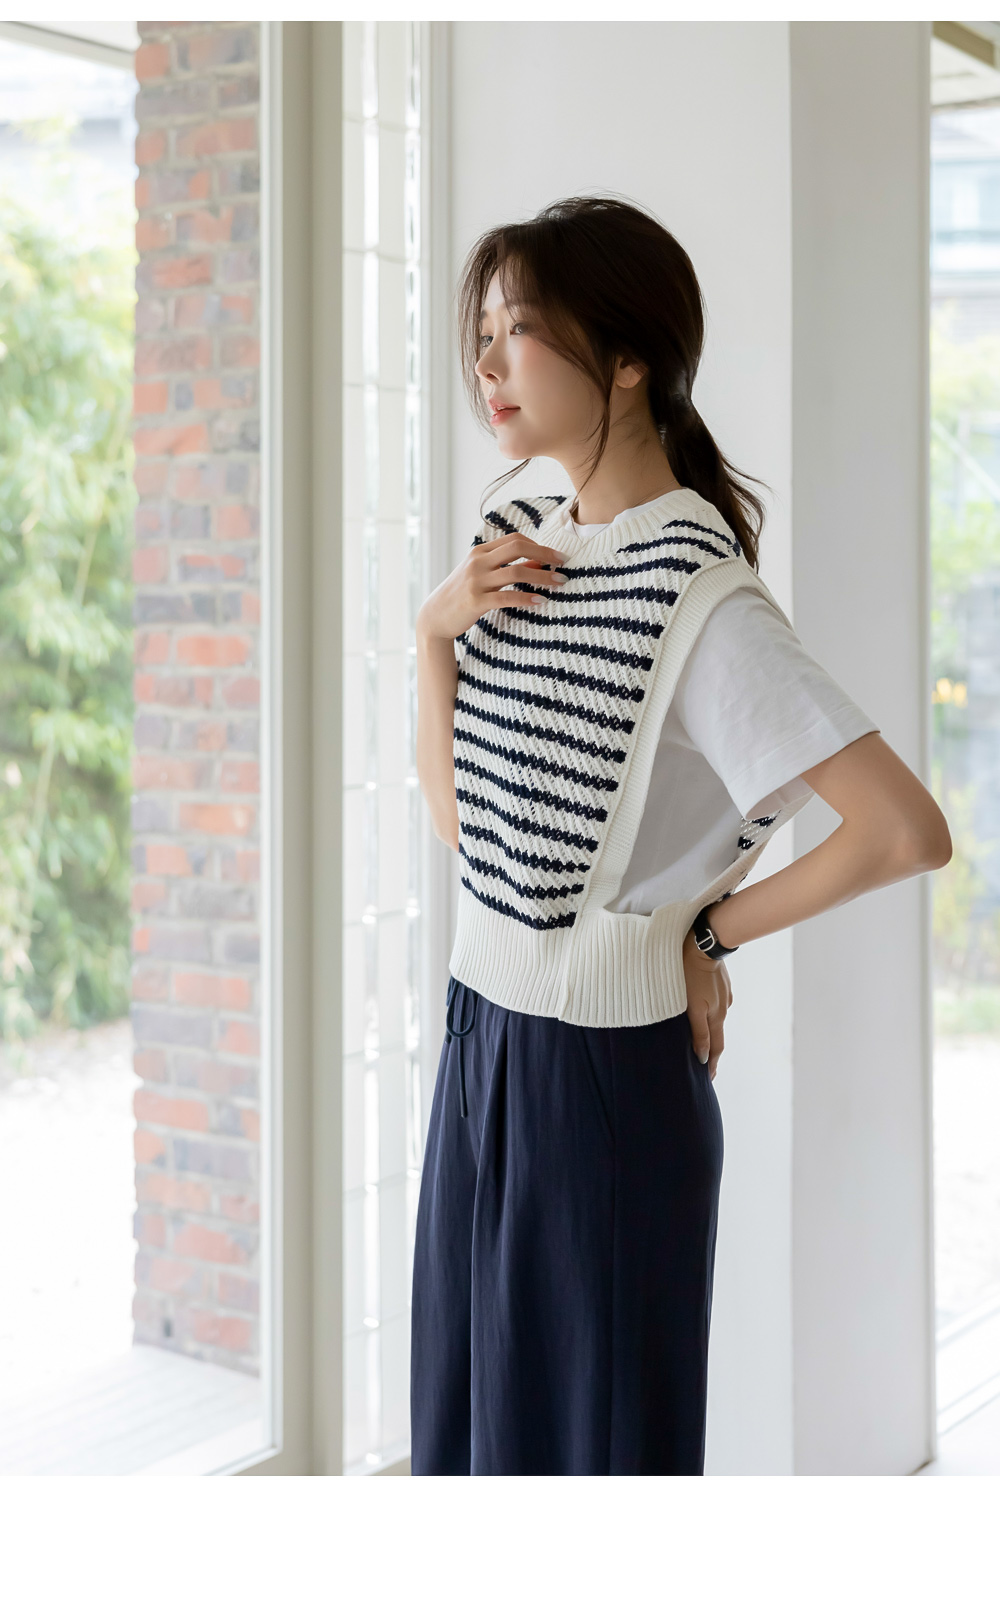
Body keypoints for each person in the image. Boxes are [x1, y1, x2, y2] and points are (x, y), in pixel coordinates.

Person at [408, 194, 952, 1476]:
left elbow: (900, 829)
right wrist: (431, 634)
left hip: (597, 1088)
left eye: (518, 330)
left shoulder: (698, 599)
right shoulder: (514, 547)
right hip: (480, 1046)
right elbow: (465, 830)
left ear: (626, 360)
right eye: (481, 334)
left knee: (589, 1474)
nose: (486, 363)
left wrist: (702, 935)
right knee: (468, 1451)